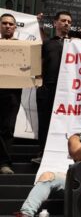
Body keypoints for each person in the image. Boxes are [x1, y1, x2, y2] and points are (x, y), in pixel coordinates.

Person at [34, 11, 81, 164]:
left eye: (69, 21)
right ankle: (43, 153)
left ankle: (67, 151)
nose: (66, 23)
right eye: (63, 20)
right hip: (48, 87)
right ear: (55, 23)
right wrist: (38, 22)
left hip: (69, 89)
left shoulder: (75, 42)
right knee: (45, 121)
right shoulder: (47, 43)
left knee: (67, 120)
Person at [0, 13, 21, 174]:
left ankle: (4, 163)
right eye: (4, 23)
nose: (7, 26)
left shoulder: (23, 47)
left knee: (7, 128)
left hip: (12, 93)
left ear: (15, 27)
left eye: (10, 24)